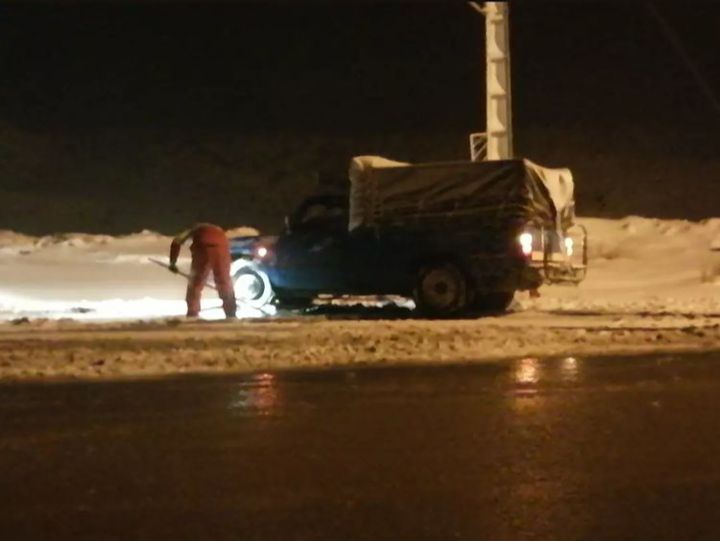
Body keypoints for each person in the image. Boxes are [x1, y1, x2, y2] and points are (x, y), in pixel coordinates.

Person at [169, 223, 236, 319]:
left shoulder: (193, 229)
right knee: (224, 281)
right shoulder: (218, 230)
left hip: (202, 247)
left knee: (195, 283)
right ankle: (231, 312)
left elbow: (176, 241)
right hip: (221, 247)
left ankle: (192, 312)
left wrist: (172, 262)